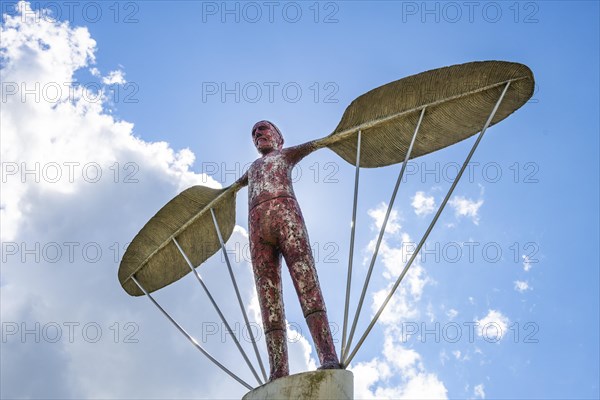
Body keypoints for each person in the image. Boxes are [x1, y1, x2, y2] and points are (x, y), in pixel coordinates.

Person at [237, 120, 340, 381]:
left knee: (307, 286)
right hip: (258, 226)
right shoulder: (252, 169)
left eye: (263, 129)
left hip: (286, 216)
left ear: (279, 138)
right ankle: (278, 370)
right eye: (254, 134)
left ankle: (328, 355)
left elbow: (317, 144)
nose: (258, 134)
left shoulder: (285, 155)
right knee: (268, 299)